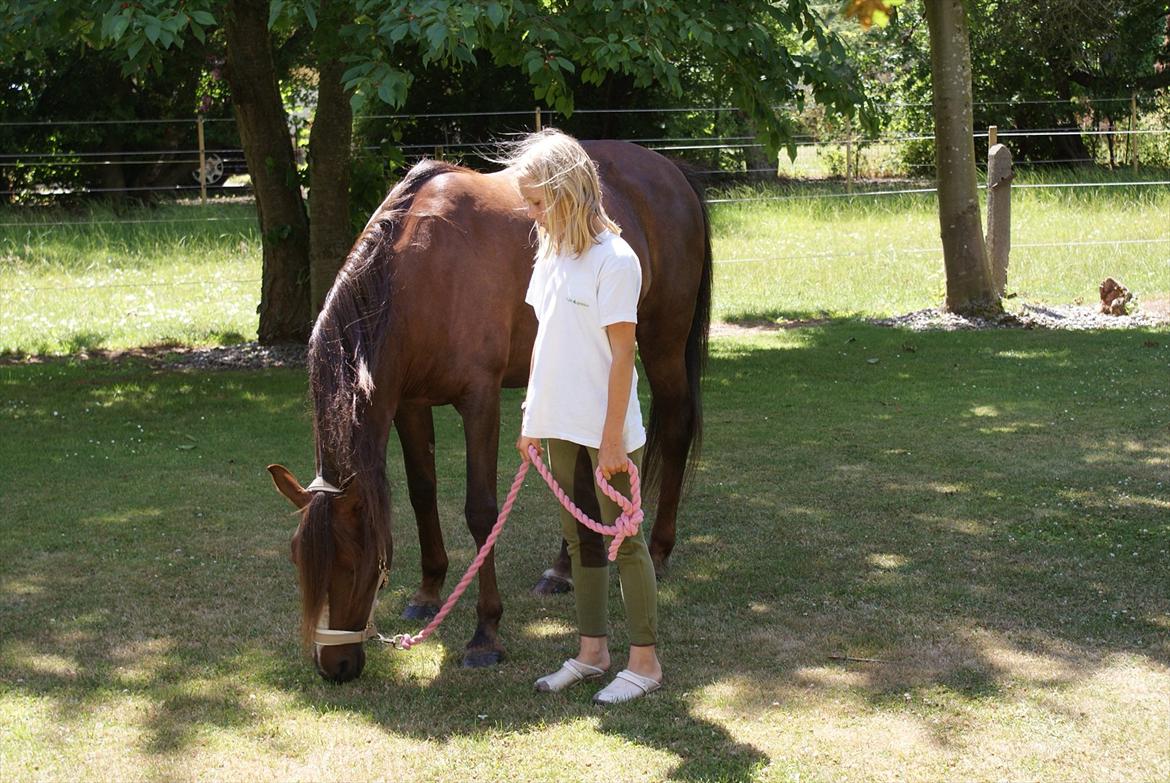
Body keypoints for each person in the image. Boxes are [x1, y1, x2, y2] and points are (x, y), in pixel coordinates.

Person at [508, 129, 662, 705]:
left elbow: (624, 353)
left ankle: (644, 663)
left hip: (607, 431)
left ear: (568, 193)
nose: (531, 214)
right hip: (559, 427)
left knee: (625, 541)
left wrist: (614, 441)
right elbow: (545, 343)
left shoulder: (615, 261)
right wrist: (531, 419)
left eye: (538, 202)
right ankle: (593, 653)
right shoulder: (549, 256)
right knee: (579, 542)